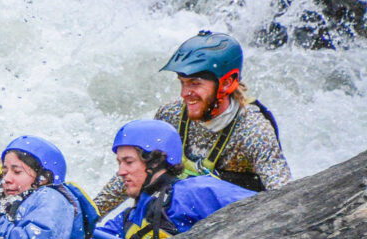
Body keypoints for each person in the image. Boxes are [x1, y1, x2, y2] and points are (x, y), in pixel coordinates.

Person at [93, 30, 290, 214]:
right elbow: (138, 171)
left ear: (228, 83)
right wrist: (90, 214)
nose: (185, 94)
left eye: (195, 84)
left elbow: (284, 197)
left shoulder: (253, 131)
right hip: (174, 217)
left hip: (228, 225)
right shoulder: (171, 114)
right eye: (182, 83)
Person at [91, 119, 256, 239]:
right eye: (119, 163)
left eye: (128, 162)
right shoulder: (128, 220)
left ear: (156, 162)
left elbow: (263, 210)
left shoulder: (194, 192)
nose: (121, 172)